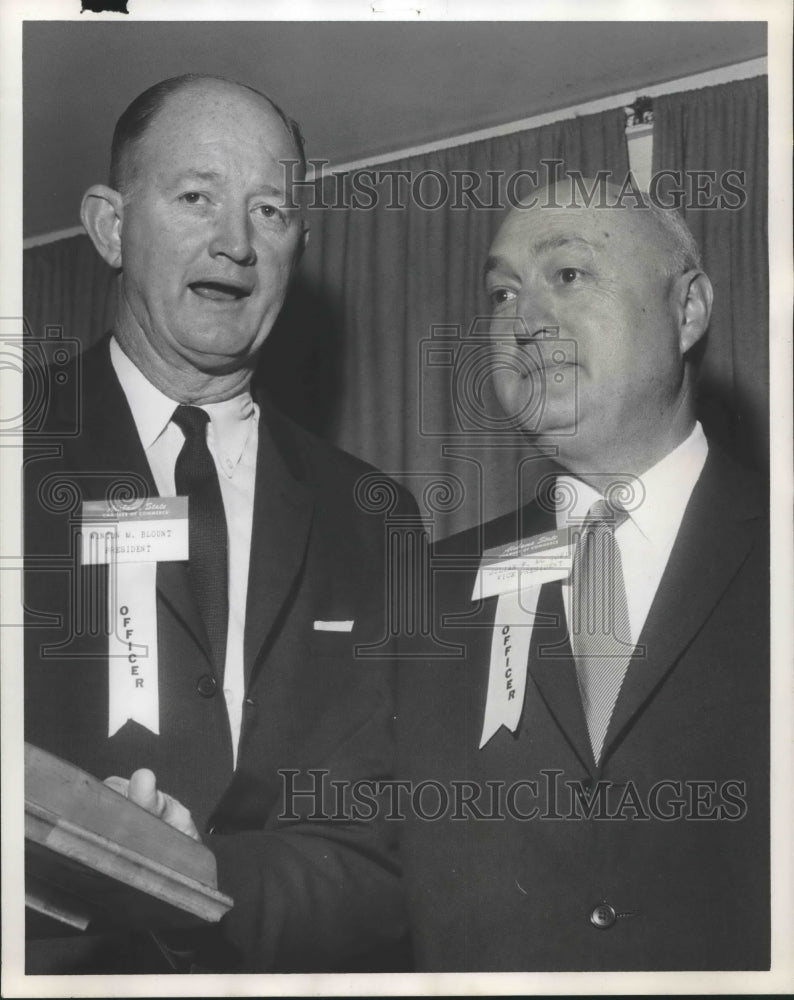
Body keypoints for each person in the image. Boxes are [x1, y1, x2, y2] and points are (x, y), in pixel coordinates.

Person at [24, 74, 413, 973]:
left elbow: (383, 845)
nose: (235, 242)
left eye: (270, 210)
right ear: (111, 226)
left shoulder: (372, 517)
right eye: (196, 197)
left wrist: (194, 878)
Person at [397, 179, 769, 970]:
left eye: (567, 275)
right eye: (503, 293)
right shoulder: (425, 593)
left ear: (688, 309)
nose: (524, 322)